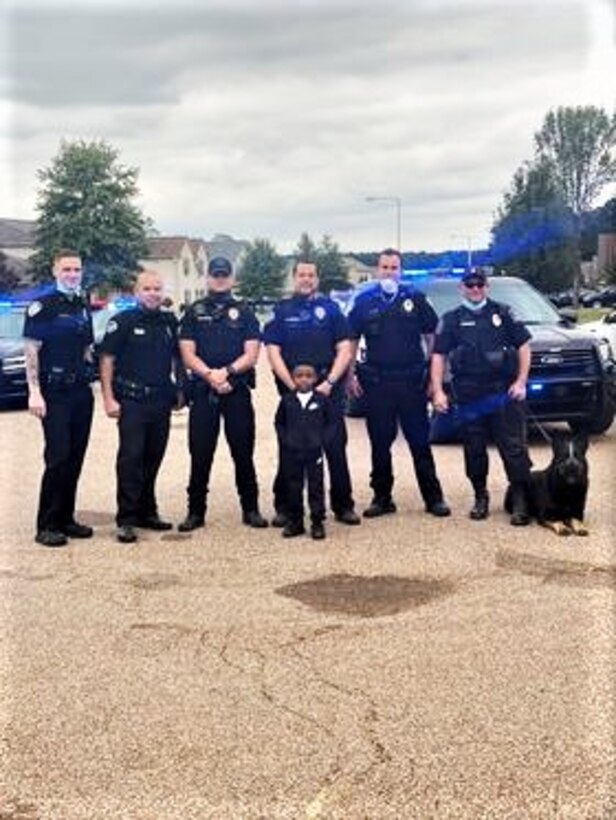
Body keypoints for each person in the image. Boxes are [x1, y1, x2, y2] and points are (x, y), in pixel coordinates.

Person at [347, 248, 450, 519]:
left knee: (419, 442)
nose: (389, 272)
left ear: (400, 271)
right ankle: (382, 498)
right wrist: (350, 375)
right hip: (378, 382)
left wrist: (432, 375)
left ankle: (433, 497)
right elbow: (352, 340)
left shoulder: (415, 299)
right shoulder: (365, 301)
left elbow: (431, 337)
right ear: (377, 269)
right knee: (380, 444)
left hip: (411, 382)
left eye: (394, 268)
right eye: (385, 267)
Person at [430, 267, 532, 525]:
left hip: (502, 392)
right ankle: (480, 497)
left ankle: (520, 499)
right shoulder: (451, 319)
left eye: (480, 284)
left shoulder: (504, 312)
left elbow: (523, 346)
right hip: (469, 394)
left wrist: (521, 381)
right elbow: (438, 355)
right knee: (474, 449)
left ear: (487, 286)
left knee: (513, 447)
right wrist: (438, 391)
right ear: (461, 287)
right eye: (470, 284)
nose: (475, 289)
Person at [264, 260, 359, 527]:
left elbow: (345, 349)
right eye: (302, 275)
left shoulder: (331, 310)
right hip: (293, 391)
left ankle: (343, 505)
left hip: (327, 389)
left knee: (335, 448)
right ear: (294, 277)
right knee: (289, 449)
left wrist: (329, 382)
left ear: (317, 279)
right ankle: (285, 508)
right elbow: (273, 352)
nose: (306, 279)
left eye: (311, 275)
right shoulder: (282, 310)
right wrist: (292, 386)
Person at [177, 256, 268, 532]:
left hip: (236, 391)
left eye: (224, 275)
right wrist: (210, 376)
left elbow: (252, 353)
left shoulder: (245, 312)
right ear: (208, 277)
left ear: (232, 278)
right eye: (215, 275)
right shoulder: (194, 311)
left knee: (243, 452)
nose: (220, 279)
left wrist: (226, 372)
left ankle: (250, 509)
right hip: (205, 391)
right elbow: (187, 353)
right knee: (200, 453)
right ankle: (195, 512)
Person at [98, 270, 184, 544]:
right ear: (137, 292)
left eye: (158, 288)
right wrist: (108, 398)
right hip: (132, 400)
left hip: (160, 401)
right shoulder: (122, 321)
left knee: (153, 457)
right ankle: (126, 519)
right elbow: (107, 360)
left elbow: (177, 359)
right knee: (131, 459)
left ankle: (148, 511)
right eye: (147, 288)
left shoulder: (169, 321)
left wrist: (180, 390)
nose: (153, 293)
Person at [23, 249, 95, 547]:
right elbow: (31, 349)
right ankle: (47, 524)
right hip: (54, 392)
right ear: (55, 271)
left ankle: (66, 518)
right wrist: (34, 391)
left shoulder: (82, 303)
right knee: (58, 457)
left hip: (79, 390)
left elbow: (86, 347)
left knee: (75, 457)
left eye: (76, 269)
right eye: (66, 269)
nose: (72, 274)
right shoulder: (44, 306)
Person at [274, 363, 336, 540]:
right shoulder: (287, 400)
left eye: (308, 375)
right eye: (299, 375)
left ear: (315, 379)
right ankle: (295, 522)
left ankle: (317, 522)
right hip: (292, 452)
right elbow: (279, 423)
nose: (304, 379)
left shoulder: (322, 400)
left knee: (315, 487)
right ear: (293, 379)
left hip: (314, 451)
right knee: (293, 486)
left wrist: (323, 441)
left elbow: (331, 423)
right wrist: (286, 440)